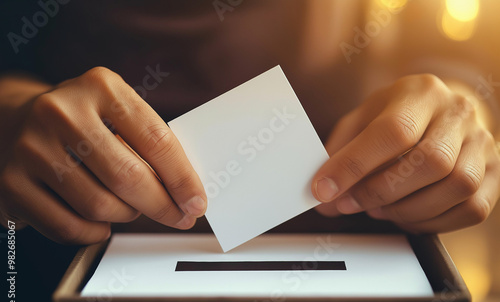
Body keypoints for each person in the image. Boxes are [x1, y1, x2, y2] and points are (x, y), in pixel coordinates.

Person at [1, 1, 499, 244]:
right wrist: (11, 113)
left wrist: (457, 105)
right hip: (63, 241)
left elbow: (439, 37)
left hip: (357, 235)